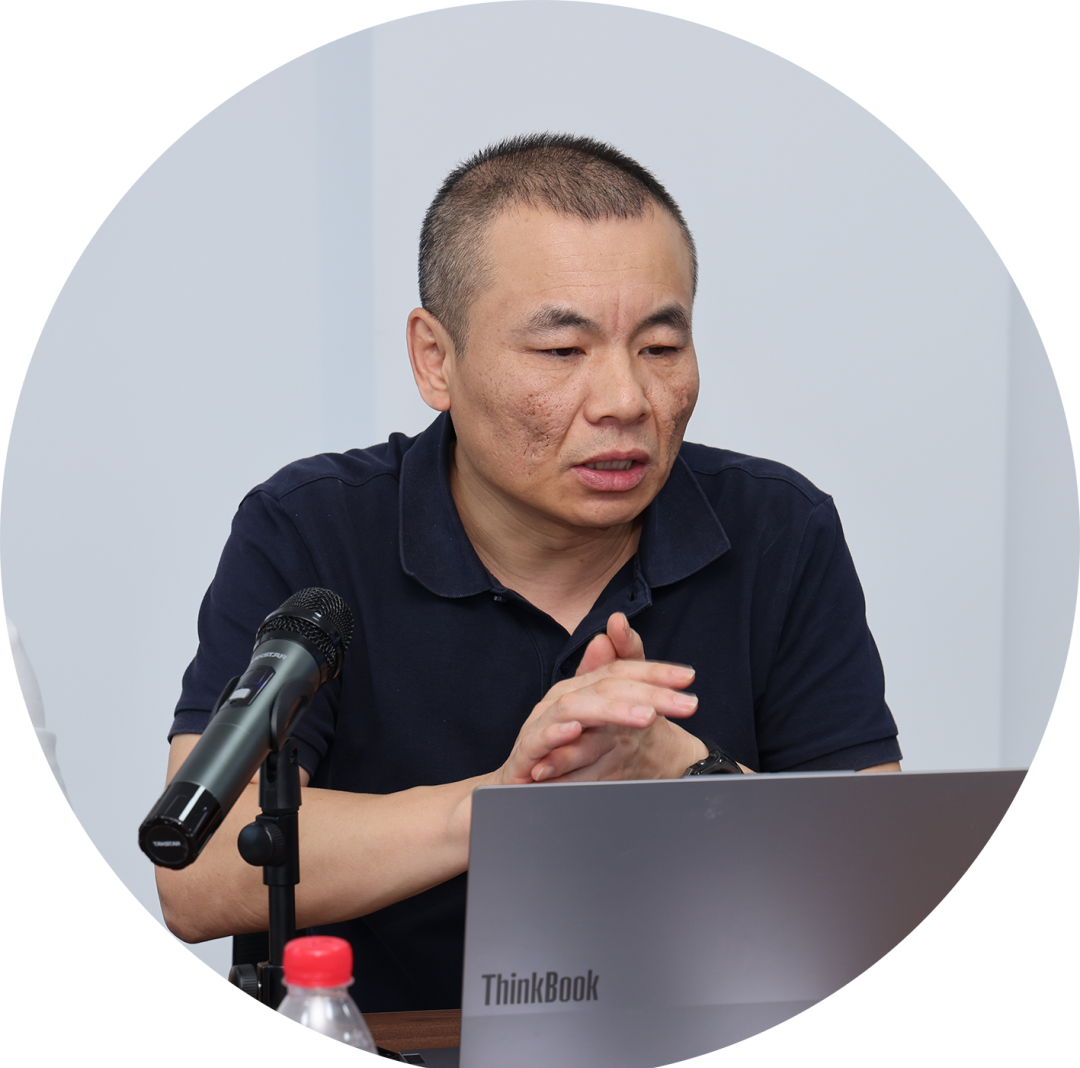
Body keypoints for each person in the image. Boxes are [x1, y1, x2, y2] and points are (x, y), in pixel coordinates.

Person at [157, 134, 901, 1012]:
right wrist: (506, 804)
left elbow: (876, 896)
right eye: (562, 352)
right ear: (435, 359)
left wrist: (681, 776)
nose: (625, 401)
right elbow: (197, 874)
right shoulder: (311, 528)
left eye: (661, 347)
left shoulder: (779, 528)